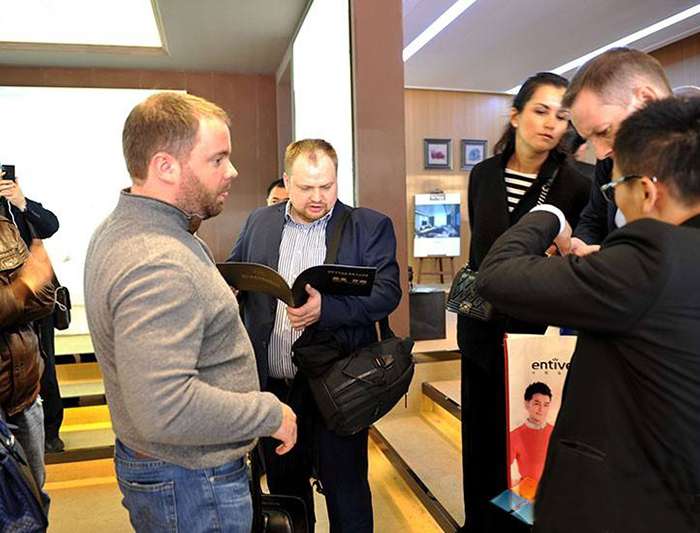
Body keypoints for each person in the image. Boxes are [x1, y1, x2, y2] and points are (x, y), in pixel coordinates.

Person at [476, 96, 700, 533]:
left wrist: (549, 216)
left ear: (647, 191)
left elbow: (497, 275)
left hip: (631, 503)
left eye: (614, 190)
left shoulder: (651, 257)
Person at [83, 92, 297, 533]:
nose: (232, 171)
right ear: (165, 166)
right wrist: (269, 413)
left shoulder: (133, 227)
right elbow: (165, 407)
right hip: (193, 481)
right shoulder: (157, 260)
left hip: (176, 473)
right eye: (218, 159)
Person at [229, 138, 401, 532]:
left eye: (327, 185)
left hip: (337, 384)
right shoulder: (260, 221)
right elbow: (237, 271)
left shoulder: (368, 226)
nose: (318, 197)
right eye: (306, 188)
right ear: (286, 181)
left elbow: (387, 292)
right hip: (276, 387)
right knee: (286, 487)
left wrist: (328, 309)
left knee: (346, 489)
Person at [456, 71, 589, 533]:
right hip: (481, 330)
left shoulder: (576, 182)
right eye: (540, 110)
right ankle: (479, 523)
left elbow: (573, 257)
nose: (551, 123)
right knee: (480, 439)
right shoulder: (483, 175)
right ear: (515, 116)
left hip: (537, 335)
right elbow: (481, 254)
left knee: (527, 445)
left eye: (561, 116)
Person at [563, 47, 672, 256]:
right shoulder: (610, 160)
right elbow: (594, 217)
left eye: (604, 131)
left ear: (646, 100)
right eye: (590, 140)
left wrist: (609, 255)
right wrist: (579, 245)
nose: (601, 153)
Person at [0, 171, 64, 453]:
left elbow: (50, 224)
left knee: (45, 365)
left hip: (37, 301)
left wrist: (21, 201)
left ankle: (51, 430)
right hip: (11, 302)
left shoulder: (15, 206)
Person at [0, 215, 55, 515]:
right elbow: (34, 284)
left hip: (25, 396)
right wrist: (23, 287)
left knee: (34, 498)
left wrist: (13, 299)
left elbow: (46, 298)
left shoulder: (5, 229)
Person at [509, 382, 554, 491]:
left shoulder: (555, 432)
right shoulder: (515, 436)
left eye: (546, 405)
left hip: (555, 494)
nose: (541, 409)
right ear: (526, 404)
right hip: (528, 496)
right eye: (537, 404)